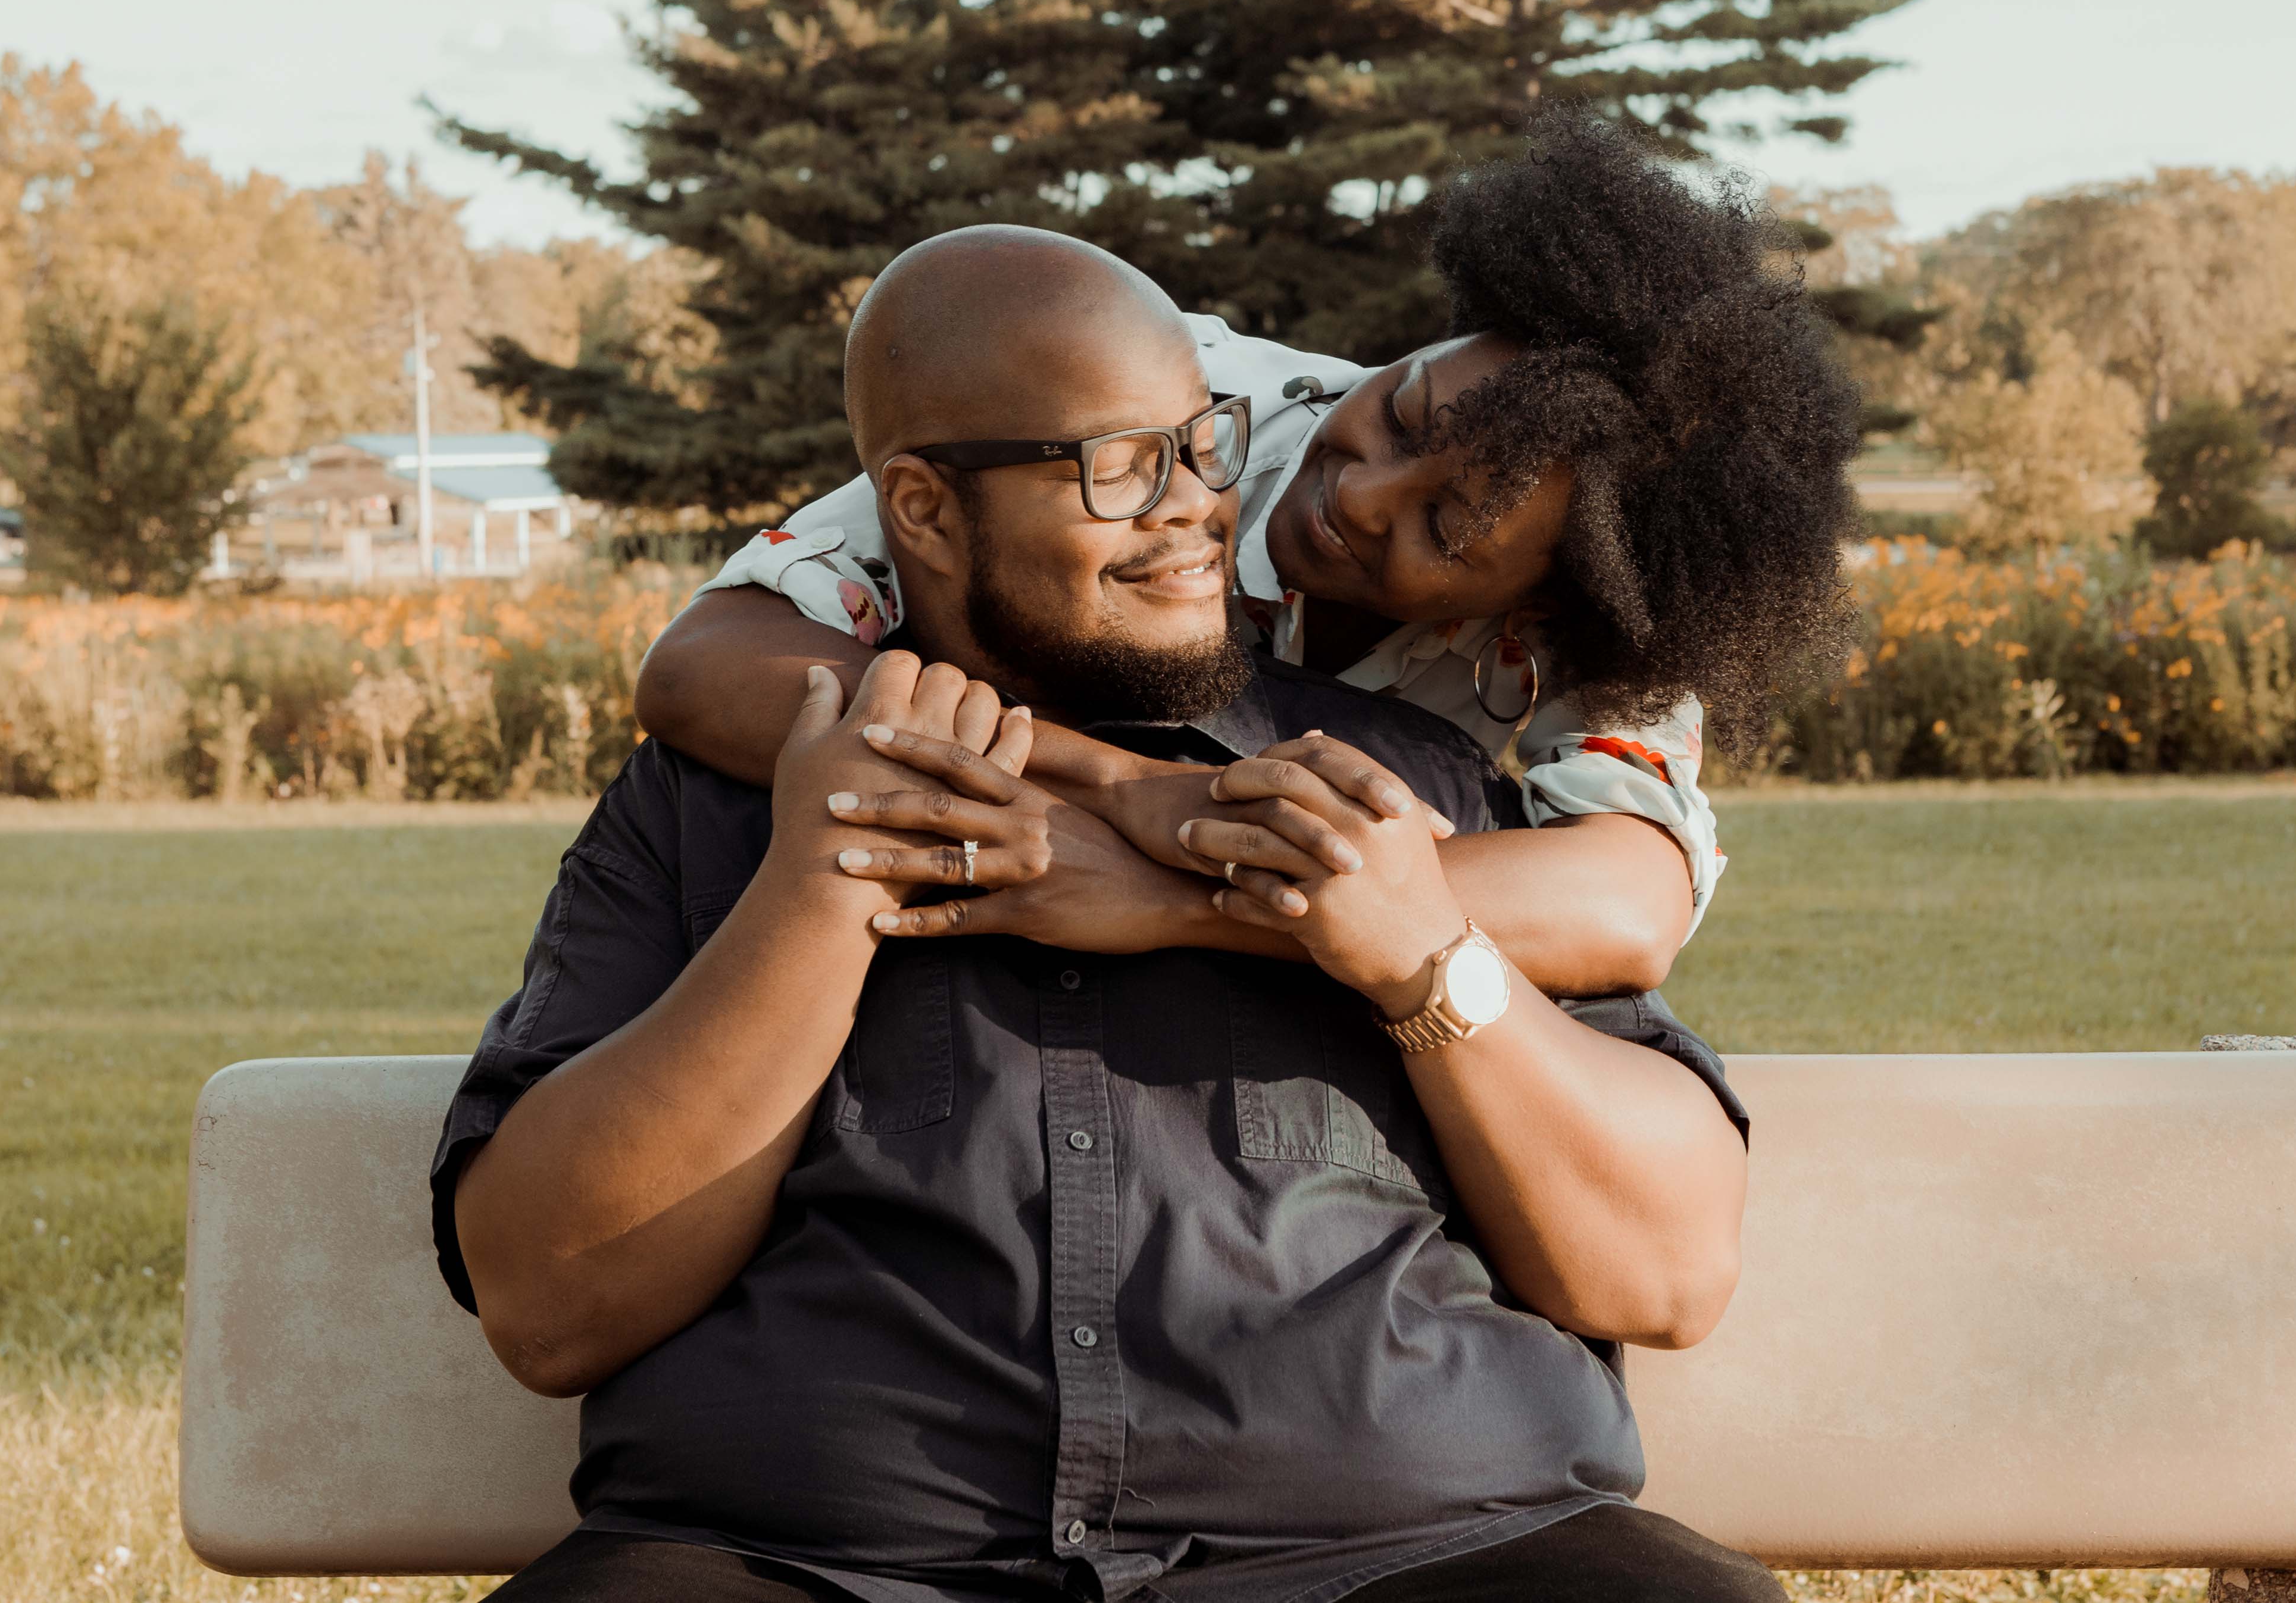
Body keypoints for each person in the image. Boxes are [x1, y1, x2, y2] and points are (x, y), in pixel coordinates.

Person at [436, 231, 1777, 1602]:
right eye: (1128, 465)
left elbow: (1665, 1255)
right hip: (820, 1568)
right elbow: (549, 1305)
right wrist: (839, 866)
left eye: (1200, 451)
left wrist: (1400, 946)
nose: (1209, 503)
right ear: (924, 508)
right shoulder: (721, 794)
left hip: (1417, 1555)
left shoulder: (1422, 785)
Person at [636, 110, 1861, 998]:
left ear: (1531, 606)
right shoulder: (1176, 401)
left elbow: (1623, 907)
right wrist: (1125, 791)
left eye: (1447, 526)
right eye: (1404, 410)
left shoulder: (1603, 623)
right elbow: (709, 663)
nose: (1360, 489)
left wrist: (1183, 900)